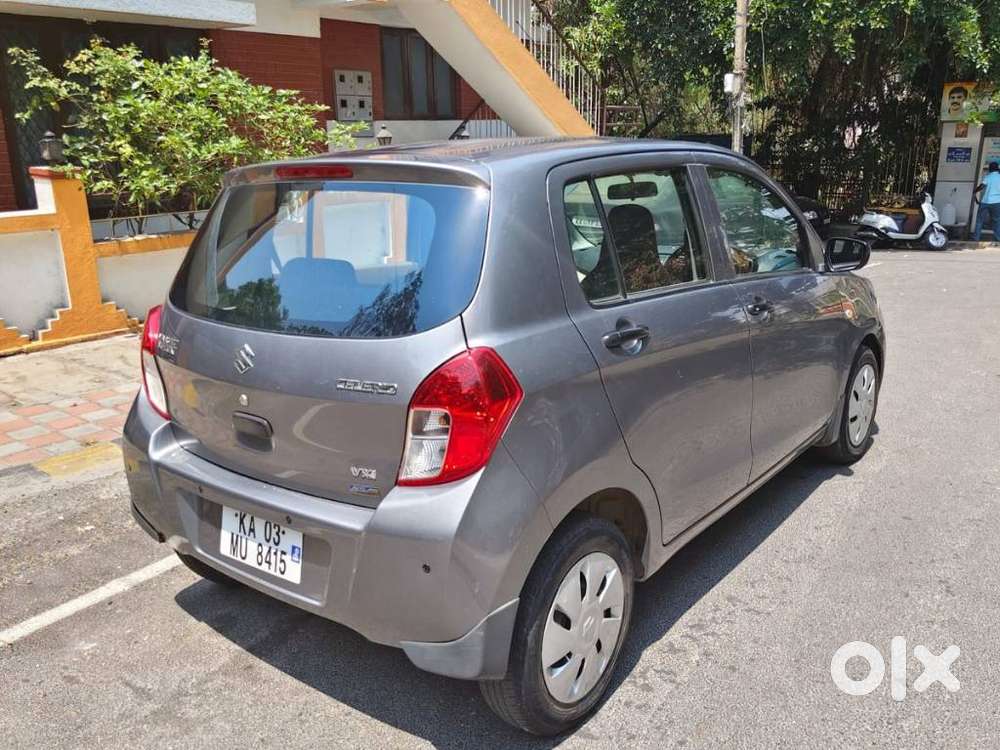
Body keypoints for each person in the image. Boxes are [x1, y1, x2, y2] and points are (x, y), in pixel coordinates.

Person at [974, 161, 1000, 241]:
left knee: (979, 220)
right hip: (997, 202)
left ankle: (976, 238)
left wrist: (975, 191)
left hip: (985, 202)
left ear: (990, 169)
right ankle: (998, 238)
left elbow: (982, 186)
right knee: (996, 221)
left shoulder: (988, 177)